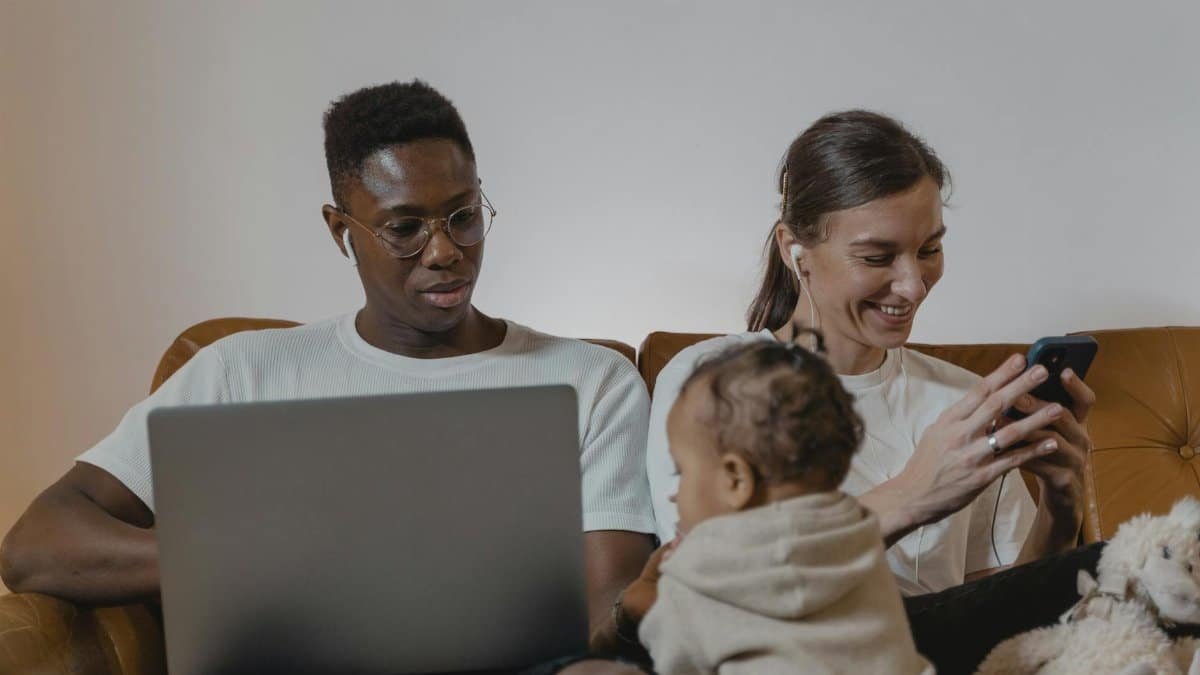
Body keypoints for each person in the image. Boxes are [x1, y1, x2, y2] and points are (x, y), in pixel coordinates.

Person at [0, 81, 655, 671]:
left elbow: (604, 609)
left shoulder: (592, 380)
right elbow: (34, 542)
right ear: (342, 230)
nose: (446, 250)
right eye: (404, 227)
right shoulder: (240, 370)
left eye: (463, 215)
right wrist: (230, 563)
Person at [626, 109, 1096, 673]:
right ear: (794, 250)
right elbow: (715, 585)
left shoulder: (966, 402)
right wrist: (914, 493)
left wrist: (1061, 512)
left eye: (929, 250)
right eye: (877, 257)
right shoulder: (712, 380)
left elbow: (1002, 629)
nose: (913, 285)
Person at [638, 331, 932, 675]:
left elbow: (667, 655)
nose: (675, 492)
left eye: (682, 471)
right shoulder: (859, 534)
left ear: (736, 479)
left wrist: (658, 586)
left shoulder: (702, 566)